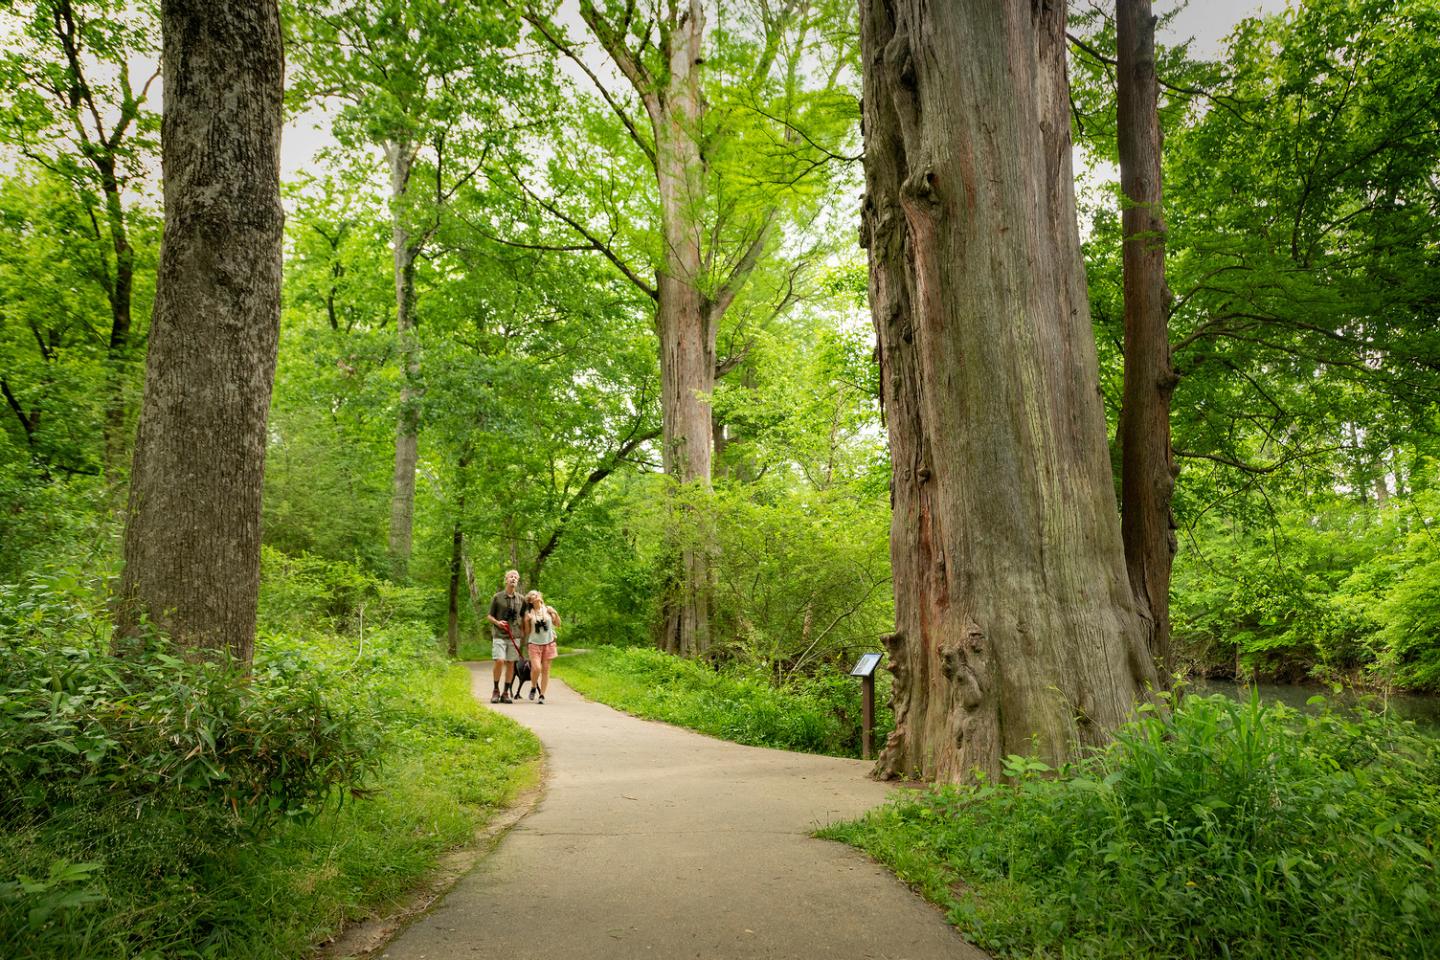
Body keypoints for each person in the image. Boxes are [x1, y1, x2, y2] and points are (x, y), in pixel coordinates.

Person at [487, 569, 525, 703]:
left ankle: (505, 693)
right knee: (499, 660)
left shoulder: (521, 599)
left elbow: (525, 617)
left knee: (510, 663)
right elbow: (489, 616)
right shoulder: (497, 597)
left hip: (515, 636)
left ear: (518, 581)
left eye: (516, 577)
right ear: (506, 579)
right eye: (511, 576)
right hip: (499, 635)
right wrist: (498, 622)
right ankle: (496, 690)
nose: (514, 578)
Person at [522, 590, 561, 704]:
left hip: (549, 644)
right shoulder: (529, 613)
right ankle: (533, 686)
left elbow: (558, 624)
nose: (535, 596)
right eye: (532, 595)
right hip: (534, 644)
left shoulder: (548, 609)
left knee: (546, 670)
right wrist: (526, 621)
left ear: (540, 596)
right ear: (530, 601)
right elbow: (527, 632)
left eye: (536, 594)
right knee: (537, 668)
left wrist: (555, 612)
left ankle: (542, 695)